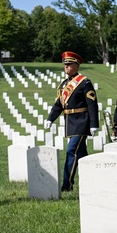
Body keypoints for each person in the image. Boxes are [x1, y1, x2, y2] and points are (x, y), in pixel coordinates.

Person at [45, 51, 99, 191]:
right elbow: (59, 104)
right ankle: (92, 179)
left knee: (71, 151)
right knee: (82, 155)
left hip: (81, 122)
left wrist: (93, 124)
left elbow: (92, 103)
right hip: (70, 122)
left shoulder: (84, 82)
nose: (66, 67)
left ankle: (67, 185)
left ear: (77, 66)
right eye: (65, 65)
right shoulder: (64, 85)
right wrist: (50, 118)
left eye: (69, 65)